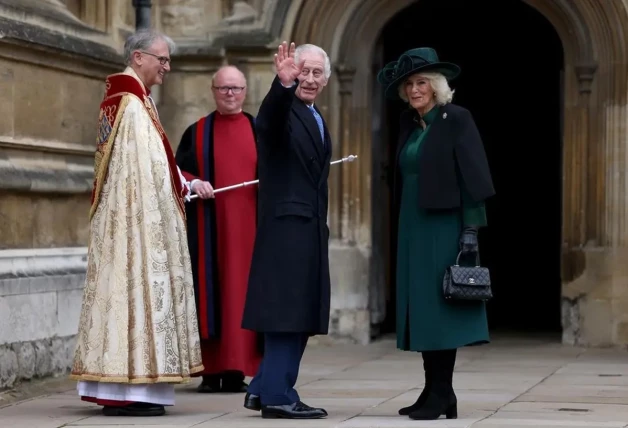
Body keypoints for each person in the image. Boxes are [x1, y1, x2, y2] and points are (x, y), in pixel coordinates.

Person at [70, 28, 204, 417]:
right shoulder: (127, 102)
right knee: (134, 293)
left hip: (141, 221)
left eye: (168, 60)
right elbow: (134, 174)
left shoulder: (139, 100)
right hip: (135, 225)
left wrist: (184, 182)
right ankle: (127, 392)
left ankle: (133, 391)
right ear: (138, 57)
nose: (167, 67)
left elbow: (156, 163)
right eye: (161, 59)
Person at [376, 47, 495, 420]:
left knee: (442, 312)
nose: (414, 90)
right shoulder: (411, 125)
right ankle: (435, 391)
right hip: (413, 227)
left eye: (422, 82)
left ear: (437, 86)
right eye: (409, 84)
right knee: (423, 311)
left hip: (445, 227)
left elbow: (473, 177)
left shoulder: (456, 119)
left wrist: (471, 230)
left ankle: (441, 393)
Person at [240, 41, 332, 420]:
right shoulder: (285, 109)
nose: (308, 79)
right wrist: (280, 86)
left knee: (300, 310)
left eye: (316, 73)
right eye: (303, 71)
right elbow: (268, 122)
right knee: (286, 312)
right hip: (286, 230)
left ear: (326, 79)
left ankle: (263, 387)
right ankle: (278, 394)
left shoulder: (314, 113)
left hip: (307, 229)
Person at [175, 65, 262, 394]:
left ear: (245, 91)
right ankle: (210, 371)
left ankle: (238, 370)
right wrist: (195, 181)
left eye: (236, 88)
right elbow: (176, 171)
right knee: (210, 294)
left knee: (243, 296)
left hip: (251, 232)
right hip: (208, 232)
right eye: (224, 88)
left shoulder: (260, 130)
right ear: (213, 91)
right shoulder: (196, 132)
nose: (230, 94)